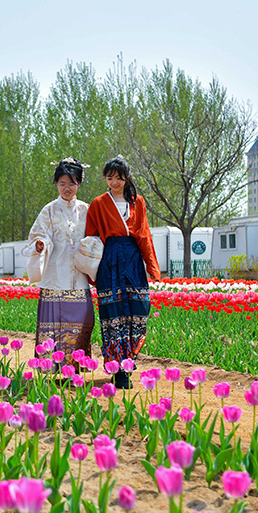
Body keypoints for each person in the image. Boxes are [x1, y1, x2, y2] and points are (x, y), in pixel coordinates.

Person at [85, 155, 160, 389]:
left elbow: (145, 235)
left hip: (133, 259)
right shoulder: (98, 203)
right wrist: (91, 268)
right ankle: (118, 370)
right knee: (112, 313)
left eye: (119, 177)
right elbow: (91, 237)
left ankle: (129, 361)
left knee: (138, 309)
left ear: (127, 178)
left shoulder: (138, 202)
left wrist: (151, 265)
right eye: (110, 178)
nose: (115, 182)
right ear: (105, 179)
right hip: (110, 259)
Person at [24, 157, 95, 366]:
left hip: (79, 276)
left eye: (72, 183)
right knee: (54, 323)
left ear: (79, 184)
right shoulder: (49, 210)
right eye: (62, 183)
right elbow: (38, 234)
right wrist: (40, 244)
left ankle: (73, 366)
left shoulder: (86, 210)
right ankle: (51, 365)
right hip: (55, 276)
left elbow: (96, 236)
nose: (67, 188)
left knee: (83, 320)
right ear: (56, 184)